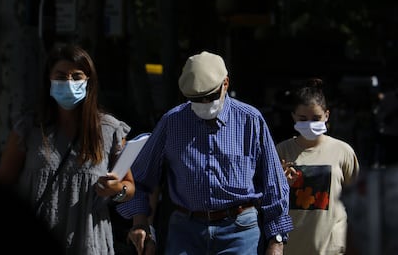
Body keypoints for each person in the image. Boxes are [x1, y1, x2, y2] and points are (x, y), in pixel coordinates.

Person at [116, 51, 293, 255]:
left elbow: (275, 184)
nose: (203, 105)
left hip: (240, 230)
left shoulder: (250, 120)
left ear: (225, 84)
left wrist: (276, 240)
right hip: (185, 231)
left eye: (209, 97)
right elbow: (138, 179)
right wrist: (140, 222)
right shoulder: (172, 122)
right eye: (195, 99)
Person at [0, 43, 136, 255]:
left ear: (89, 81)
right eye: (60, 76)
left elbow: (130, 188)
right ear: (48, 80)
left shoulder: (109, 130)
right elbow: (2, 184)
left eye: (77, 76)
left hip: (89, 243)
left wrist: (117, 190)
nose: (69, 82)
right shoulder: (29, 128)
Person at [276, 77, 360, 255]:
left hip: (332, 248)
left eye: (316, 118)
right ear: (293, 116)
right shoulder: (281, 151)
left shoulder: (343, 152)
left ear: (327, 116)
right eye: (303, 118)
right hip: (293, 246)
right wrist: (281, 184)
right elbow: (268, 200)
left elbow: (357, 205)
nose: (310, 124)